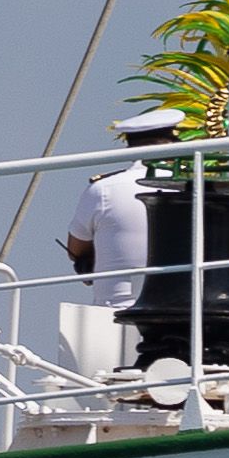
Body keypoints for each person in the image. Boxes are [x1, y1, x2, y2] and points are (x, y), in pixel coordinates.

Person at [63, 109, 174, 310]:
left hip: (115, 312)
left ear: (129, 146)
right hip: (187, 308)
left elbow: (76, 250)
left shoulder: (102, 190)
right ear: (173, 143)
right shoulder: (195, 185)